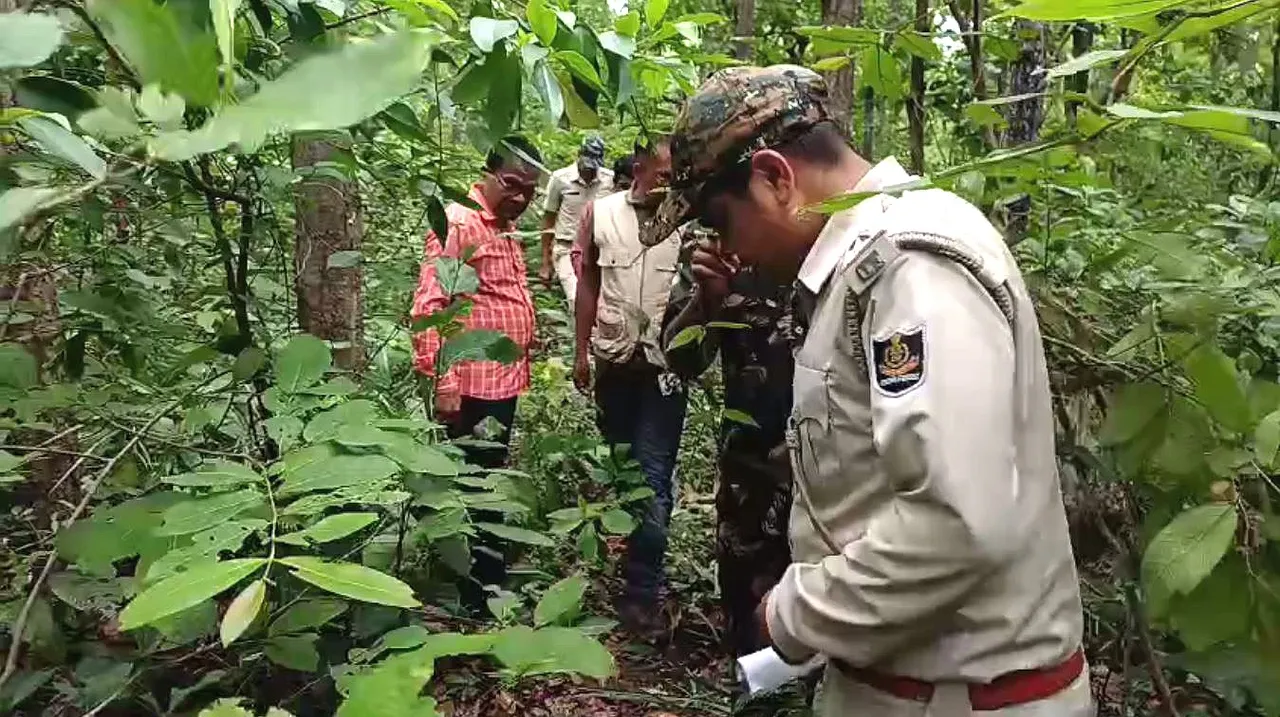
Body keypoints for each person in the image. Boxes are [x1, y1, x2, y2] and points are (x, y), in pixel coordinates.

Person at [640, 65, 1092, 716]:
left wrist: (790, 614)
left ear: (774, 178)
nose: (727, 247)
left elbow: (957, 522)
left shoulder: (910, 266)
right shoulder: (861, 268)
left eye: (721, 222)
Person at [410, 135, 543, 614]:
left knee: (487, 474)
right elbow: (431, 305)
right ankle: (481, 592)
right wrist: (443, 381)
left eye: (529, 191)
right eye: (512, 184)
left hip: (499, 381)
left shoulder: (503, 226)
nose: (521, 198)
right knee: (479, 483)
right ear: (487, 174)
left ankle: (484, 580)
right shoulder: (460, 222)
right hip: (473, 385)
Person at [660, 229, 798, 659]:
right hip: (753, 479)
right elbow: (680, 357)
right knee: (750, 625)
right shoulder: (721, 248)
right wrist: (708, 299)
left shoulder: (844, 242)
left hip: (839, 478)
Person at [573, 136, 687, 634]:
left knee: (653, 475)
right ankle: (629, 549)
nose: (669, 185)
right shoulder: (600, 214)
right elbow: (589, 284)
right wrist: (580, 351)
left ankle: (642, 593)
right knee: (623, 465)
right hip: (613, 361)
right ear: (639, 168)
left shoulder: (689, 220)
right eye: (663, 175)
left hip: (665, 370)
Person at [540, 136, 612, 308]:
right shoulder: (560, 178)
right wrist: (545, 262)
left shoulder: (609, 180)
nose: (589, 171)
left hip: (598, 248)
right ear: (579, 156)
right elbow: (549, 219)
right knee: (575, 298)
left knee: (600, 300)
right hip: (566, 246)